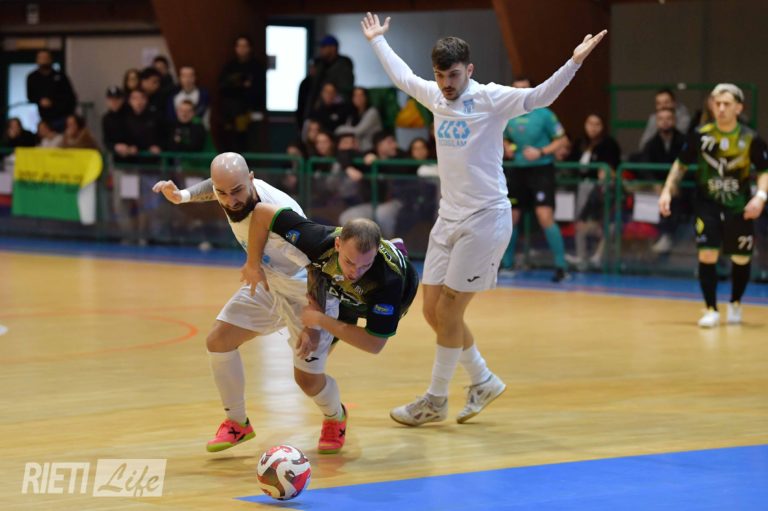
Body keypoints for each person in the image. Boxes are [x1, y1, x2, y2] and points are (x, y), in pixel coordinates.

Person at [360, 12, 606, 426]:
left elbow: (540, 97)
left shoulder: (491, 99)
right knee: (433, 312)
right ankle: (483, 379)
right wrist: (377, 41)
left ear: (469, 70)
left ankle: (436, 399)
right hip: (448, 219)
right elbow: (403, 78)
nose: (446, 83)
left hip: (486, 219)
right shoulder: (436, 96)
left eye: (453, 75)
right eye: (440, 75)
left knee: (450, 311)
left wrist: (575, 61)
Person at [151, 152, 348, 454]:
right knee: (219, 340)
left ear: (252, 179)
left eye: (237, 191)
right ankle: (237, 423)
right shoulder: (230, 190)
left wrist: (314, 324)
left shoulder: (282, 218)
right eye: (223, 193)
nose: (230, 200)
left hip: (307, 291)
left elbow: (317, 269)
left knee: (307, 381)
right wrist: (183, 196)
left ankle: (336, 416)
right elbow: (215, 185)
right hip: (269, 281)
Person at [240, 202, 420, 446]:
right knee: (307, 377)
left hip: (388, 298)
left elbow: (374, 344)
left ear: (376, 254)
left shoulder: (388, 282)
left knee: (361, 318)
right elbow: (261, 212)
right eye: (349, 262)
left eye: (365, 265)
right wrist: (252, 263)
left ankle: (399, 253)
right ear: (337, 244)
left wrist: (319, 320)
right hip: (338, 296)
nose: (355, 271)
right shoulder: (318, 238)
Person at [658, 84, 768, 328]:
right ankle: (711, 309)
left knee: (740, 258)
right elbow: (681, 164)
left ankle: (735, 303)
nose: (721, 108)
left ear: (738, 108)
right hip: (707, 204)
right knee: (707, 254)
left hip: (739, 206)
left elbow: (764, 171)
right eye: (717, 103)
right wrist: (667, 191)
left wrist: (760, 197)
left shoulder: (750, 138)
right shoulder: (701, 134)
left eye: (727, 104)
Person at [502, 76, 572, 280]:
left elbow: (562, 140)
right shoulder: (507, 114)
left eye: (525, 88)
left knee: (544, 215)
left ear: (532, 91)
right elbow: (503, 137)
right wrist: (507, 146)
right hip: (517, 171)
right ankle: (507, 264)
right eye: (517, 89)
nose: (521, 92)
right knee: (511, 218)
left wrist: (541, 152)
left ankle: (561, 267)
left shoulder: (545, 114)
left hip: (541, 170)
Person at [26, 49, 77, 132]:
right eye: (41, 58)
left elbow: (70, 96)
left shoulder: (60, 76)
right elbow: (30, 96)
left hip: (61, 115)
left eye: (46, 58)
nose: (44, 60)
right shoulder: (33, 77)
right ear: (37, 60)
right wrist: (40, 100)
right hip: (44, 117)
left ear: (50, 59)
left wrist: (56, 103)